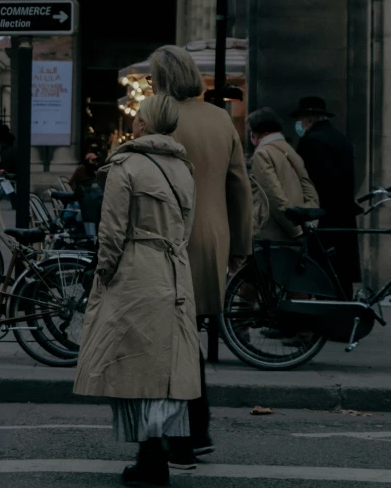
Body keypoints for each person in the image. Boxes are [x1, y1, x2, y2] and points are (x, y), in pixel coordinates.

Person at [74, 95, 200, 487]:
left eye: (138, 118)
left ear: (145, 125)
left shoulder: (125, 165)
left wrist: (103, 274)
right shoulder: (184, 169)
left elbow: (111, 232)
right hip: (174, 271)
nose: (134, 124)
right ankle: (156, 450)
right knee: (165, 367)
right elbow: (186, 229)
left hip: (135, 270)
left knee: (132, 364)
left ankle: (148, 457)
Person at [148, 45, 253, 463]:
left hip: (167, 239)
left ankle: (184, 434)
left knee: (168, 341)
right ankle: (193, 430)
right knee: (186, 335)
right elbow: (239, 186)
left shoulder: (161, 117)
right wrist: (240, 246)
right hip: (212, 239)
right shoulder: (220, 118)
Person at [291, 96, 361, 300]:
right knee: (340, 274)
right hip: (343, 217)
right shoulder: (340, 139)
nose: (299, 124)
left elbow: (311, 181)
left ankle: (325, 323)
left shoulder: (311, 141)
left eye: (302, 118)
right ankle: (342, 320)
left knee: (322, 272)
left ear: (309, 118)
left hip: (324, 216)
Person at [249, 107, 319, 242]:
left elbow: (274, 196)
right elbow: (309, 190)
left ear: (256, 133)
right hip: (299, 226)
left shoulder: (262, 154)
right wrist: (308, 224)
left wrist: (295, 231)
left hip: (274, 232)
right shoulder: (288, 149)